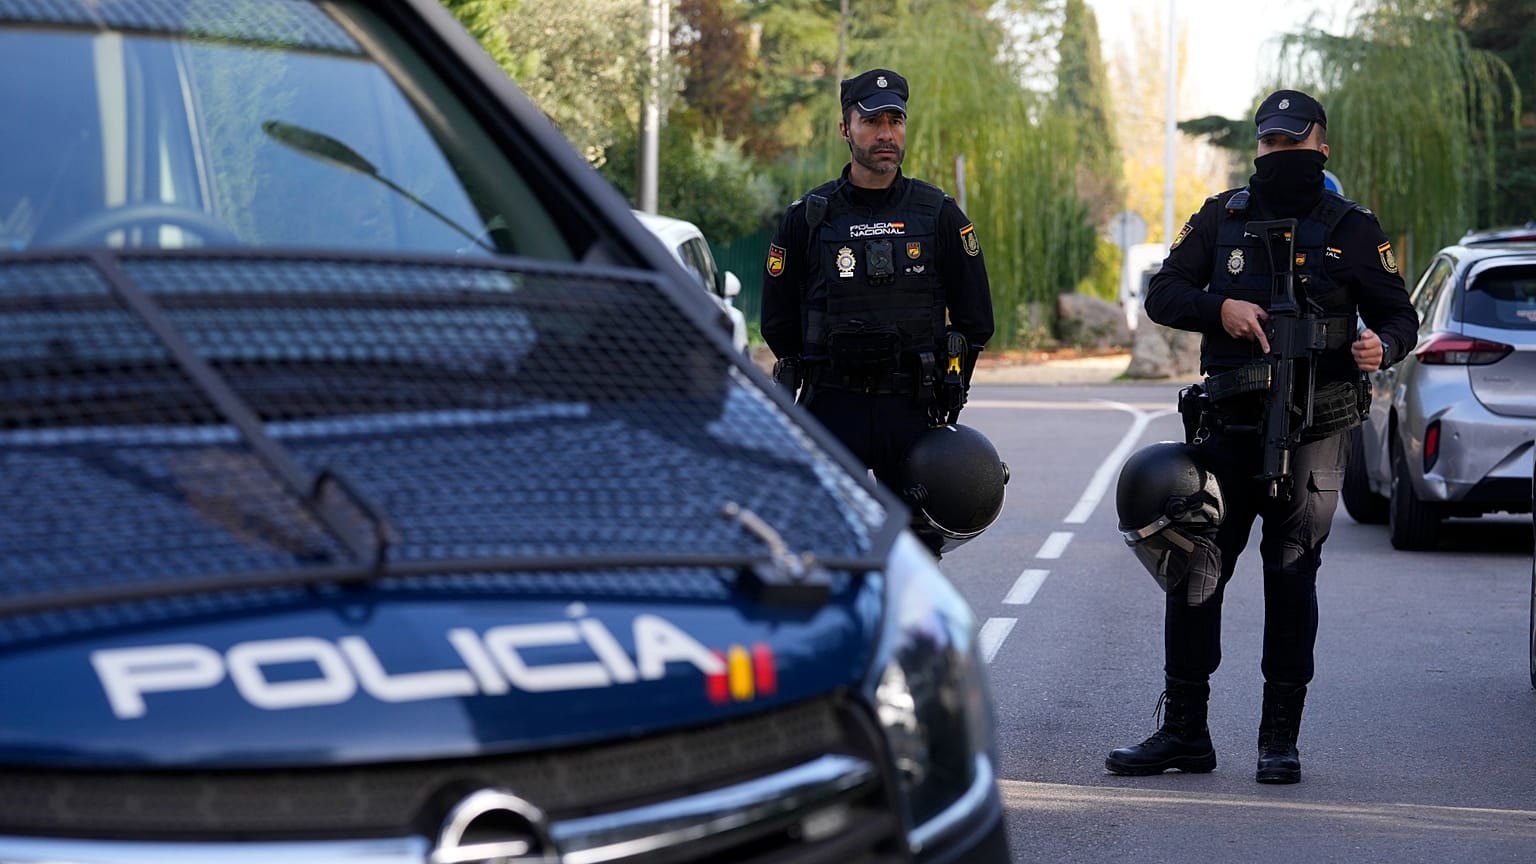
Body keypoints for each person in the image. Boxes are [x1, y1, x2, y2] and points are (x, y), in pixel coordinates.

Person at [1105, 89, 1419, 784]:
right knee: (1195, 571)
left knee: (1291, 575)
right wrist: (1221, 307)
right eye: (1270, 142)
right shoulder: (1221, 217)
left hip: (1316, 432)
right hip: (1229, 429)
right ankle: (1185, 733)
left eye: (1292, 142)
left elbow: (1401, 316)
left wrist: (1383, 346)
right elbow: (1163, 293)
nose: (1279, 153)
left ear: (1321, 147)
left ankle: (1279, 740)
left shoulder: (1353, 227)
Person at [760, 68, 994, 554]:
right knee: (825, 550)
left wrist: (949, 382)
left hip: (911, 411)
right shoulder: (808, 216)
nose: (886, 133)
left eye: (895, 121)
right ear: (845, 129)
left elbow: (975, 319)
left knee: (915, 554)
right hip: (832, 408)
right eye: (871, 122)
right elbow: (777, 320)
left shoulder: (938, 214)